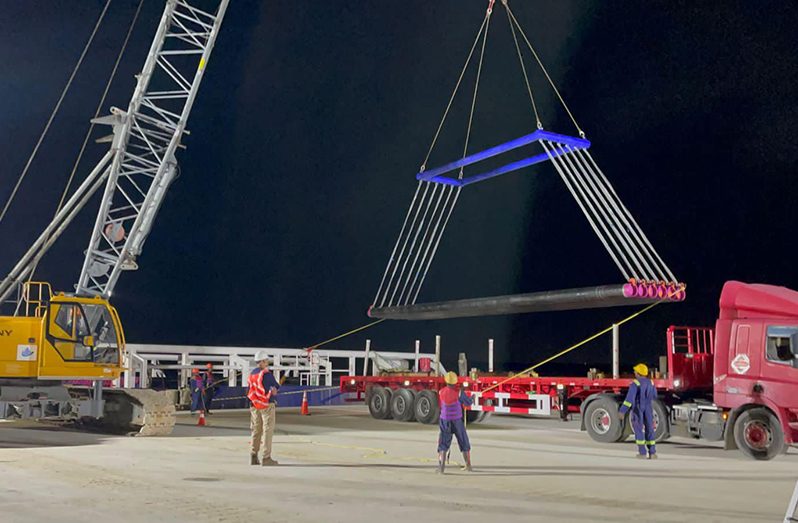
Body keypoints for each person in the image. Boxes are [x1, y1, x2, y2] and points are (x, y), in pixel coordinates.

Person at [618, 363, 657, 459]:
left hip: (638, 408)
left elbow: (629, 399)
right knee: (650, 429)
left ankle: (642, 452)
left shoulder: (635, 383)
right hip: (648, 407)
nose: (634, 372)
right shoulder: (651, 383)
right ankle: (652, 453)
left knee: (638, 429)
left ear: (638, 373)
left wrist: (622, 411)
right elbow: (654, 395)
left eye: (635, 371)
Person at [437, 371, 473, 474]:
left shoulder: (441, 392)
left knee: (443, 443)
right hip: (457, 421)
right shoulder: (459, 392)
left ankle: (441, 469)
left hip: (445, 420)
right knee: (463, 441)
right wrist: (472, 399)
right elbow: (468, 402)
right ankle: (468, 466)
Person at [248, 350, 280, 466]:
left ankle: (253, 455)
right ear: (261, 361)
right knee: (267, 430)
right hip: (266, 405)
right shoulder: (266, 374)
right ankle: (266, 458)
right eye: (266, 361)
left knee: (256, 430)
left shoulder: (252, 374)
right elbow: (275, 388)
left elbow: (249, 390)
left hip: (254, 405)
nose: (267, 363)